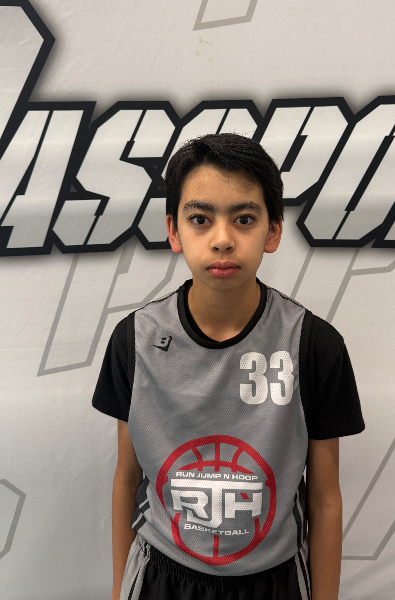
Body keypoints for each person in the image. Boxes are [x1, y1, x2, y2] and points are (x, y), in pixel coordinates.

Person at [92, 133, 365, 600]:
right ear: (174, 231)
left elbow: (324, 498)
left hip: (275, 579)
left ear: (273, 231)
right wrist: (121, 589)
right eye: (200, 219)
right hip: (162, 576)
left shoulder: (315, 345)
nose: (222, 239)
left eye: (243, 219)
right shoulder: (133, 341)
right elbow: (126, 479)